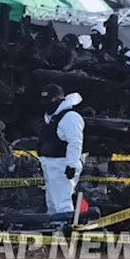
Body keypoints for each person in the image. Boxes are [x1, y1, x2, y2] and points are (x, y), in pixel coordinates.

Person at [37, 84, 84, 215]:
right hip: (50, 164)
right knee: (52, 201)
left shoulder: (70, 117)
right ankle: (54, 229)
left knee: (62, 202)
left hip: (62, 165)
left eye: (50, 100)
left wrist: (71, 165)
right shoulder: (51, 116)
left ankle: (66, 231)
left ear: (59, 99)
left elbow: (75, 142)